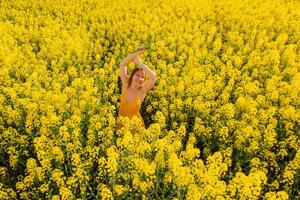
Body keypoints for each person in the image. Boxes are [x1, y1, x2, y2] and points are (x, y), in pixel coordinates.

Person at [116, 45, 157, 130]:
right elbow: (122, 64)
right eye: (137, 75)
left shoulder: (142, 91)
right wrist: (137, 53)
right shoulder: (125, 84)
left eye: (142, 77)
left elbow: (153, 76)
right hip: (121, 125)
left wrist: (139, 63)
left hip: (136, 127)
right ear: (132, 75)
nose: (140, 78)